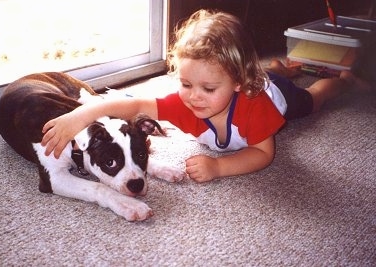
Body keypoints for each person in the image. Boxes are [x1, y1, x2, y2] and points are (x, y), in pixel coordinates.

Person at [41, 9, 371, 183]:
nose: (194, 97)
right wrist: (78, 116)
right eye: (186, 83)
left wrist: (219, 168)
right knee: (272, 73)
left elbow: (262, 154)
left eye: (208, 89)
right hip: (253, 77)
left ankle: (340, 81)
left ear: (239, 83)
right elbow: (134, 105)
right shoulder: (185, 103)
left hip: (278, 96)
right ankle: (279, 68)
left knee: (311, 99)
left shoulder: (255, 111)